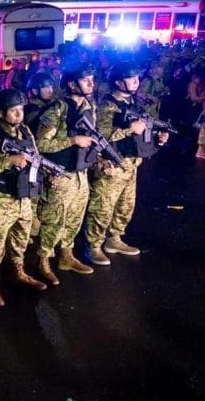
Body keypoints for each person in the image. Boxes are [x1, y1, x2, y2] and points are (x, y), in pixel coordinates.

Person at [86, 62, 169, 262]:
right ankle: (93, 246)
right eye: (131, 78)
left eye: (137, 78)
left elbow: (142, 130)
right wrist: (130, 128)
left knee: (125, 206)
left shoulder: (134, 103)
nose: (136, 81)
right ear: (118, 82)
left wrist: (158, 138)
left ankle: (114, 238)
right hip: (111, 165)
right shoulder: (106, 106)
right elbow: (102, 135)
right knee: (102, 208)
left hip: (130, 164)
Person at [0, 90, 47, 306]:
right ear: (0, 113)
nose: (19, 114)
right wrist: (9, 160)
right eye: (13, 111)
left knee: (21, 239)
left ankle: (19, 272)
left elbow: (36, 156)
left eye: (21, 110)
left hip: (23, 196)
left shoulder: (25, 131)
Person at [32, 65, 100, 283]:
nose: (91, 83)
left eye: (92, 79)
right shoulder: (56, 110)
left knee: (74, 219)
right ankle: (43, 261)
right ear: (72, 84)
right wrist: (72, 140)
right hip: (61, 174)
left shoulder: (89, 107)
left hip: (80, 173)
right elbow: (40, 144)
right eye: (85, 80)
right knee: (54, 220)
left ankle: (66, 256)